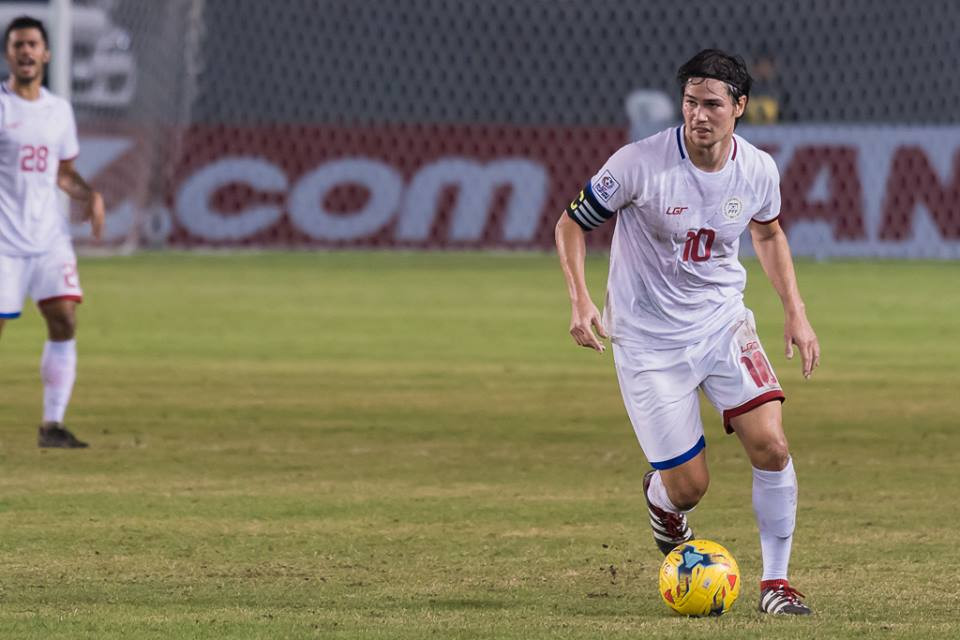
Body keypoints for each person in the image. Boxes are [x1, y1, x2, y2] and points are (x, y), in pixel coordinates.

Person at [555, 49, 819, 615]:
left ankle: (776, 584)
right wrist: (580, 299)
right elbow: (571, 224)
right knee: (689, 487)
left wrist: (794, 309)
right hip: (648, 342)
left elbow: (768, 235)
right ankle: (662, 500)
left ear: (740, 107)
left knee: (772, 446)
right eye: (691, 103)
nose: (699, 114)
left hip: (722, 325)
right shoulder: (637, 163)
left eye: (713, 104)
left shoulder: (758, 169)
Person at [0, 16, 104, 448]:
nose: (26, 52)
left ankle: (52, 425)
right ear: (9, 53)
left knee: (64, 317)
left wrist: (89, 195)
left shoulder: (59, 110)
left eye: (33, 45)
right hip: (3, 240)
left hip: (49, 239)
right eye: (18, 45)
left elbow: (62, 172)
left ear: (46, 53)